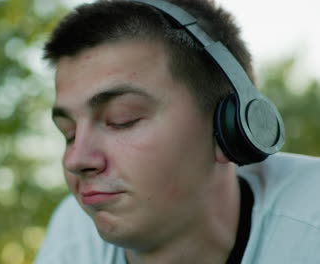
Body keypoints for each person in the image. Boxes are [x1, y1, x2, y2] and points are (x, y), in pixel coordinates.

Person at [35, 0, 320, 263]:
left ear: (231, 129)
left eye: (122, 119)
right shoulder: (71, 236)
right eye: (69, 133)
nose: (75, 160)